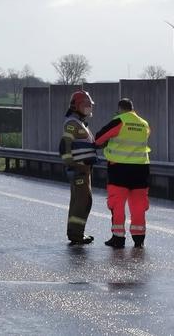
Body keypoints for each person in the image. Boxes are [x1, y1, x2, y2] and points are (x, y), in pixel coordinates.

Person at [95, 98, 151, 248]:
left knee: (117, 203)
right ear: (132, 108)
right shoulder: (144, 124)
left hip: (119, 169)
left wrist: (104, 144)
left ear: (120, 108)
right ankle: (139, 239)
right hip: (141, 169)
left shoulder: (119, 121)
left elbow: (99, 138)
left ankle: (118, 238)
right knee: (139, 205)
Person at [59, 90, 97, 245]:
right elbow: (64, 146)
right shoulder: (72, 124)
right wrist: (73, 165)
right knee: (82, 201)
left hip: (84, 169)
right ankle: (76, 235)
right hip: (79, 169)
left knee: (83, 201)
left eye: (90, 105)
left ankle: (76, 233)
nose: (89, 108)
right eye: (86, 105)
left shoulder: (80, 123)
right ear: (77, 106)